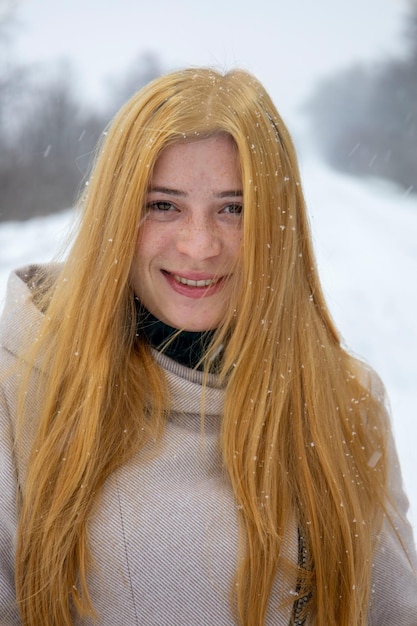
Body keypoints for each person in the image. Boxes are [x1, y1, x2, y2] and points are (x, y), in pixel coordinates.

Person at [0, 67, 416, 626]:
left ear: (277, 225)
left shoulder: (345, 400)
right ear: (115, 217)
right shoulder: (21, 383)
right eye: (163, 205)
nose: (199, 245)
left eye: (234, 208)